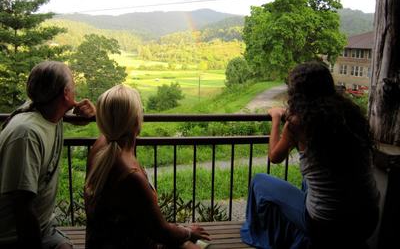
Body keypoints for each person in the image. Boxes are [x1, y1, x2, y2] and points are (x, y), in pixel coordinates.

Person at [241, 61, 380, 249]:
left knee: (259, 181)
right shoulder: (350, 116)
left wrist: (275, 119)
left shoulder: (299, 124)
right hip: (367, 222)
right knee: (308, 183)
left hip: (326, 225)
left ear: (297, 92)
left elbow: (274, 157)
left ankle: (256, 234)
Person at [84, 84, 211, 249]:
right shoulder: (131, 175)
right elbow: (162, 231)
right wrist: (188, 232)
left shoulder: (100, 147)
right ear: (136, 120)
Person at [0, 61, 96, 249]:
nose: (76, 90)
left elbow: (62, 111)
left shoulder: (45, 109)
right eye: (73, 86)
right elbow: (22, 208)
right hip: (13, 236)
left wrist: (88, 113)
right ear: (66, 94)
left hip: (44, 226)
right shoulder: (26, 135)